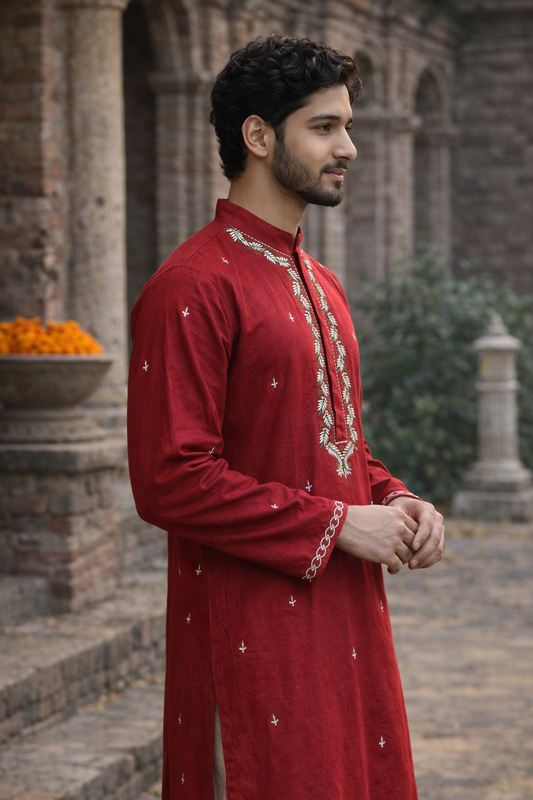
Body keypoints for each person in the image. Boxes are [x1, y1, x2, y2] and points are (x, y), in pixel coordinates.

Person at [127, 34, 445, 800]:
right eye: (325, 127)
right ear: (259, 136)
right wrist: (337, 527)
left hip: (344, 618)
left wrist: (394, 497)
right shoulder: (192, 286)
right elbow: (169, 479)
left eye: (347, 125)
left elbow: (335, 444)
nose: (350, 148)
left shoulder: (321, 281)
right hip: (252, 633)